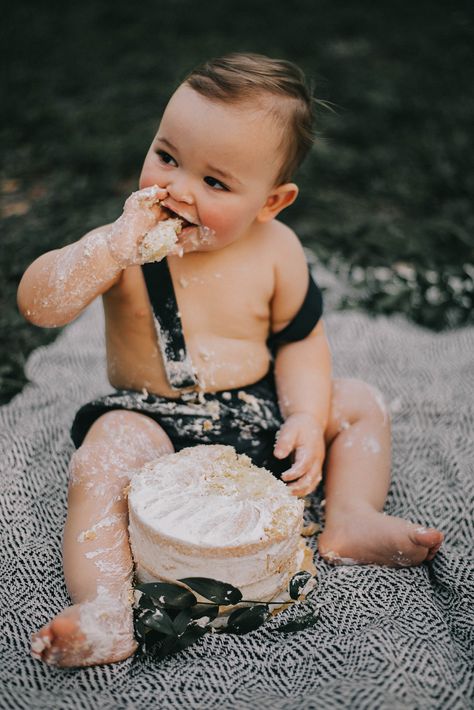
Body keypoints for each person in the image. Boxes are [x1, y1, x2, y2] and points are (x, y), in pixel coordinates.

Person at [18, 53, 444, 668]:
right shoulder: (119, 247)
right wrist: (108, 247)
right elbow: (40, 305)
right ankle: (107, 606)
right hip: (155, 414)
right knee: (104, 452)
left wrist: (305, 415)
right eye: (167, 156)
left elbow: (301, 340)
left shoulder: (278, 251)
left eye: (215, 183)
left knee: (359, 404)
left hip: (255, 406)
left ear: (271, 202)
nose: (179, 188)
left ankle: (350, 518)